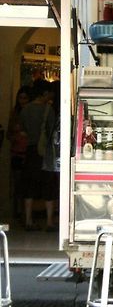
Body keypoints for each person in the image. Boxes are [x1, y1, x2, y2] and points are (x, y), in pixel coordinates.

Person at [19, 79, 55, 231]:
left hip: (31, 149)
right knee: (48, 184)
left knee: (30, 185)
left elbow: (23, 130)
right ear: (45, 93)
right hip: (46, 152)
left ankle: (28, 220)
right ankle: (49, 222)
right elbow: (53, 130)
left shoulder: (25, 110)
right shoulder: (49, 110)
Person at [6, 86, 32, 219]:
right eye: (20, 98)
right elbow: (8, 133)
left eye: (25, 98)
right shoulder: (15, 112)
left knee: (26, 183)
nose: (23, 101)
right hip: (17, 152)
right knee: (17, 182)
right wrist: (16, 136)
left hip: (29, 151)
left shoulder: (31, 112)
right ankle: (17, 210)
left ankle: (24, 211)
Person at [42, 81, 61, 231]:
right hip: (62, 154)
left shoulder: (48, 109)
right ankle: (60, 219)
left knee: (49, 186)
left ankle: (49, 220)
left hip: (49, 155)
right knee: (61, 187)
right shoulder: (67, 109)